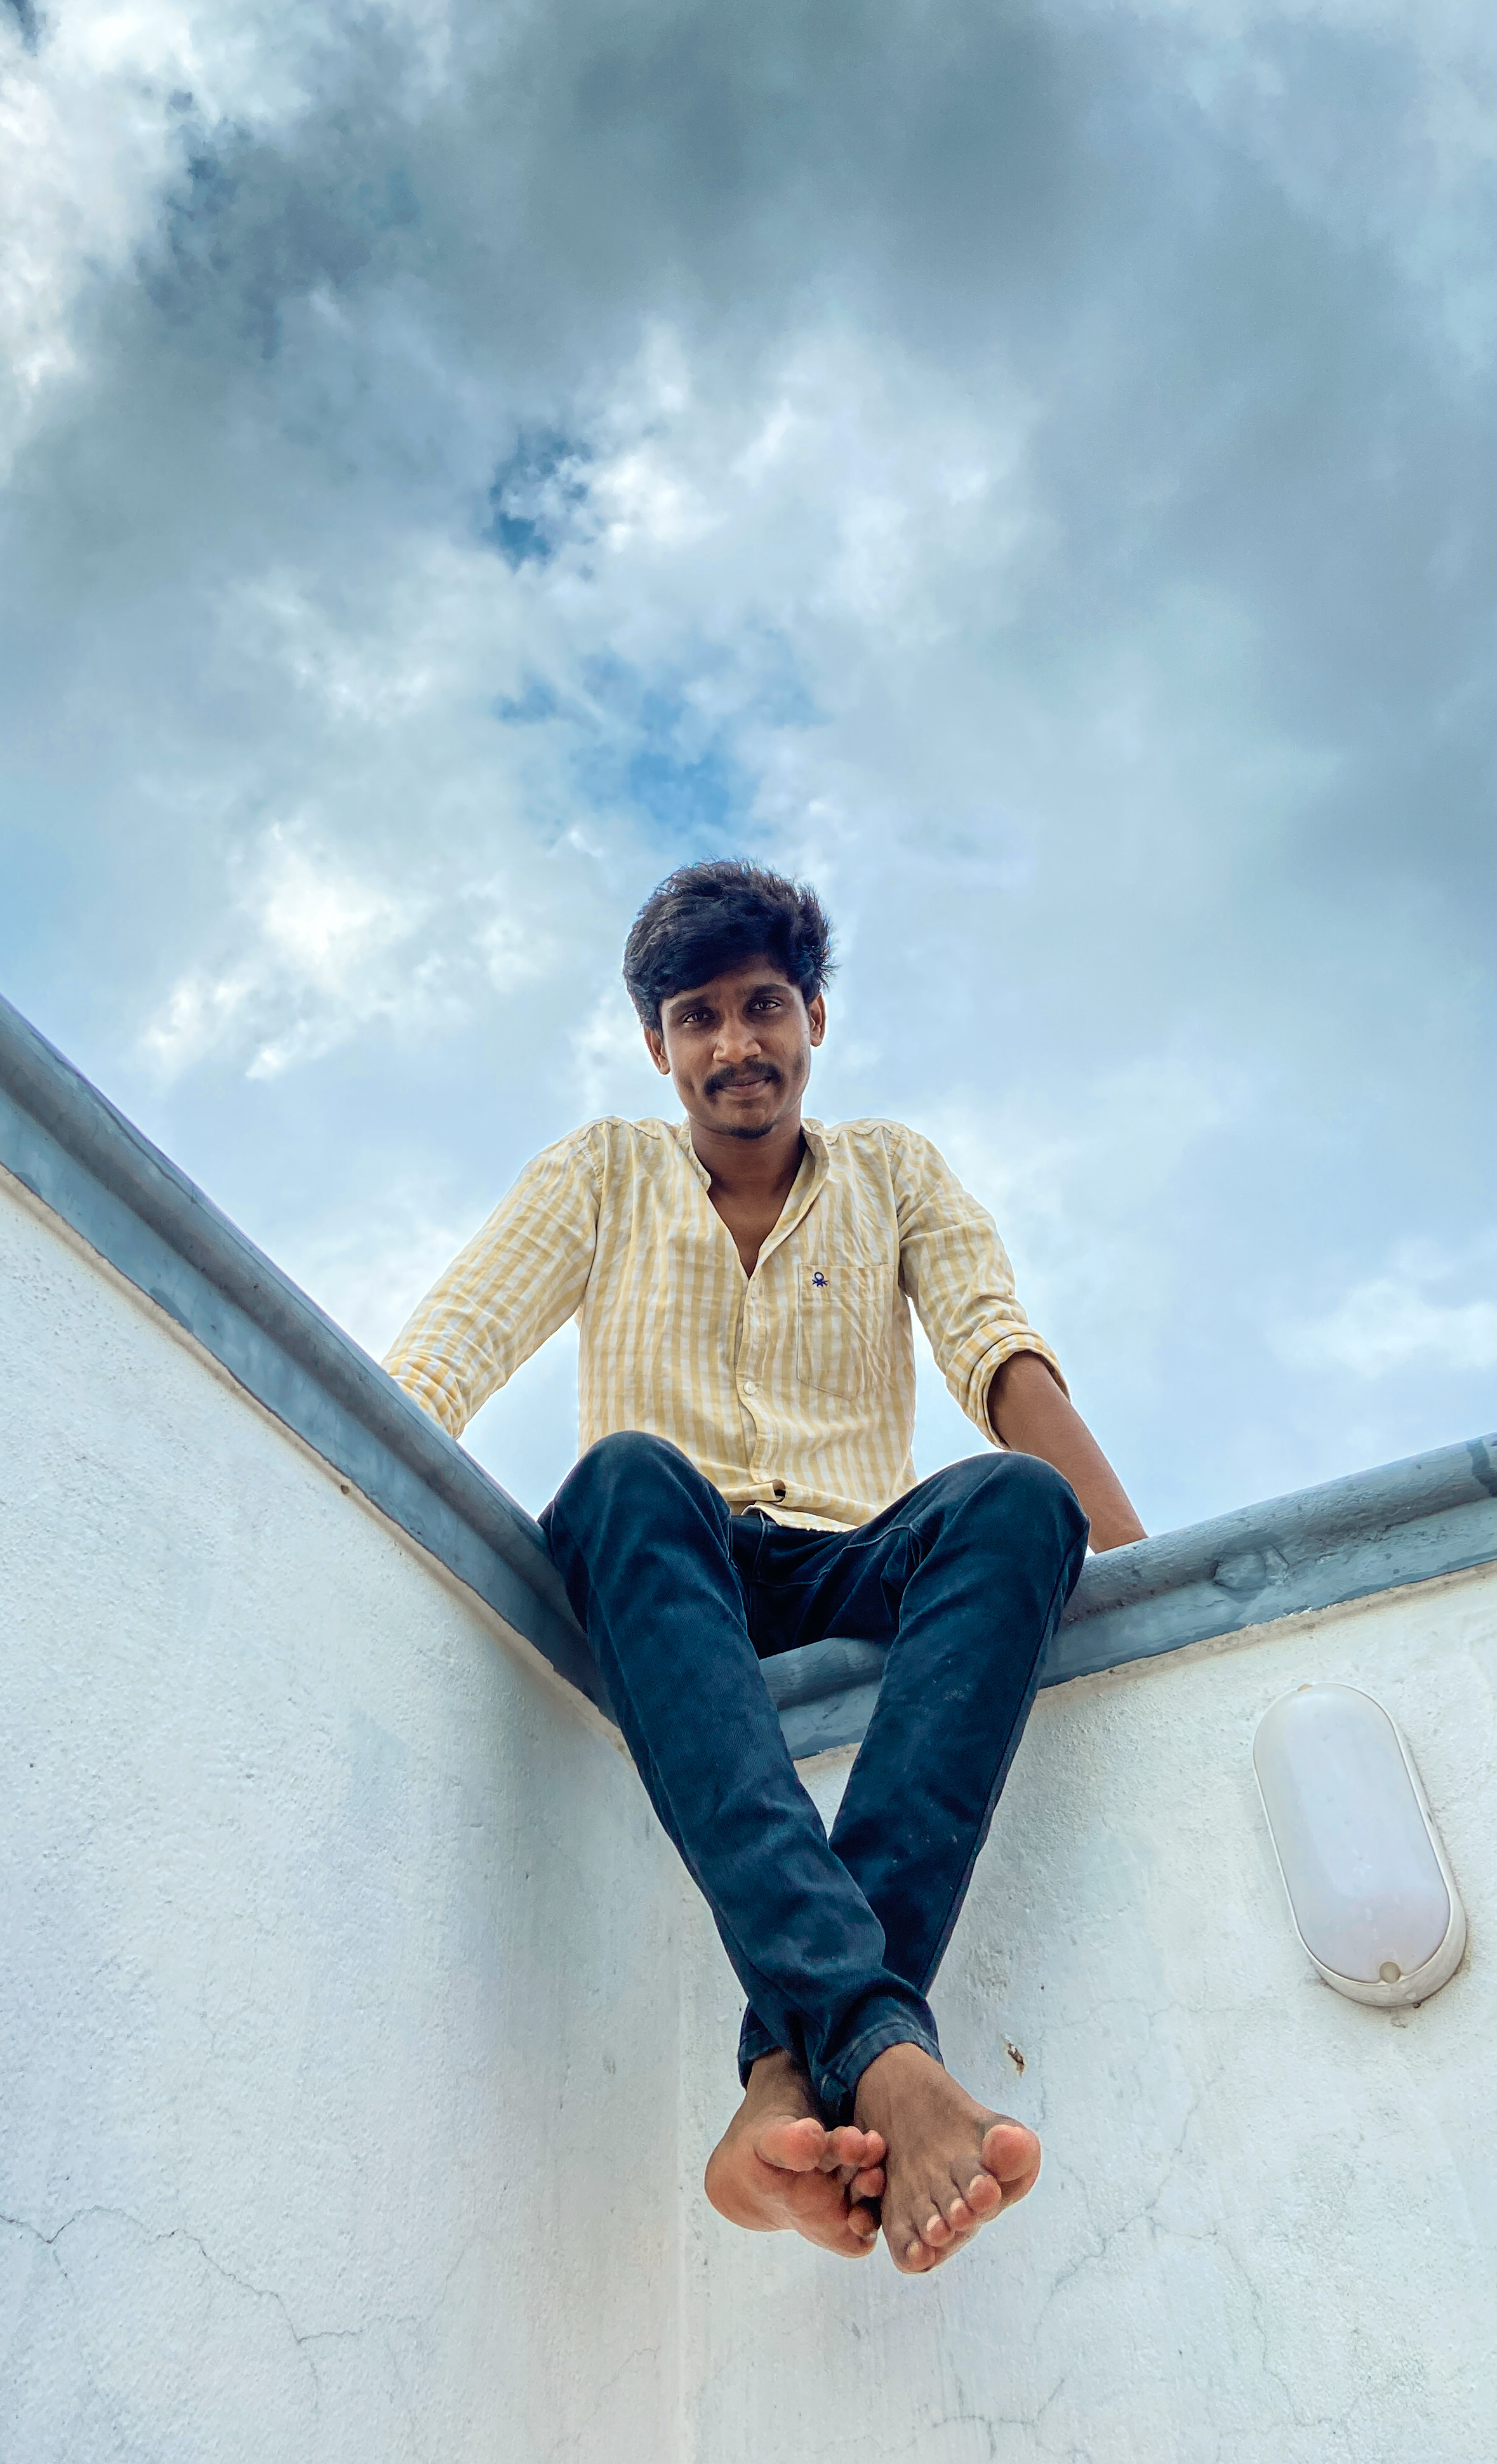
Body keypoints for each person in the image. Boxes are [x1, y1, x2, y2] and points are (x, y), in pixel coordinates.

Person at [385, 859, 1145, 2274]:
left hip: (854, 1550)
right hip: (671, 1558)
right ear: (657, 1044)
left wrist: (1156, 1575)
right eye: (698, 1018)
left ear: (813, 1018)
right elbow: (454, 1344)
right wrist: (357, 1480)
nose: (736, 1044)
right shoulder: (602, 1170)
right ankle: (885, 2051)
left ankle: (794, 2075)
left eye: (762, 1006)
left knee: (1019, 1505)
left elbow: (995, 1352)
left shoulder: (895, 1170)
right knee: (621, 1473)